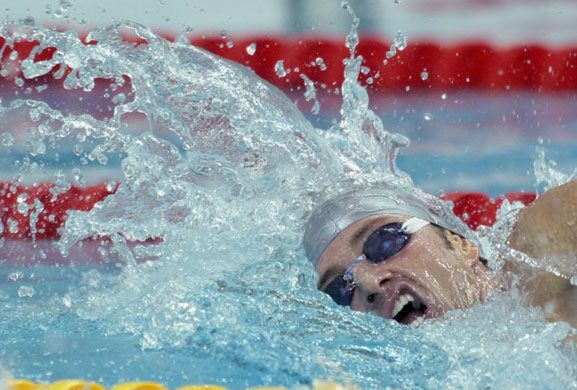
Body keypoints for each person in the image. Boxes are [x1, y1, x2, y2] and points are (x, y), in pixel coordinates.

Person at [303, 180, 577, 327]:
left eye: (383, 242)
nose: (368, 284)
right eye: (339, 289)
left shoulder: (534, 265)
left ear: (459, 242)